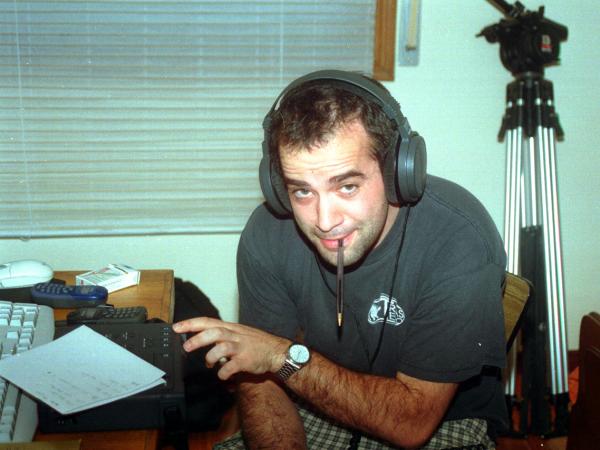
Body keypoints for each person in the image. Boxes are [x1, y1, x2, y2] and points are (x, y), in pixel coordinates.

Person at [173, 70, 508, 449]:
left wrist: (283, 357)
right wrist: (277, 363)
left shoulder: (456, 238)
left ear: (397, 170)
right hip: (318, 400)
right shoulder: (268, 232)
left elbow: (411, 425)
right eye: (302, 191)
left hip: (439, 422)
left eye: (347, 186)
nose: (324, 220)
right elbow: (259, 378)